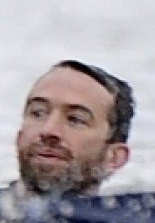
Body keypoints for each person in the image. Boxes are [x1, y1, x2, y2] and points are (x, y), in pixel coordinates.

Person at [15, 60, 134, 197]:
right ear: (19, 136)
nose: (48, 130)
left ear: (114, 157)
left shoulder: (137, 216)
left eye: (75, 119)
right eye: (38, 113)